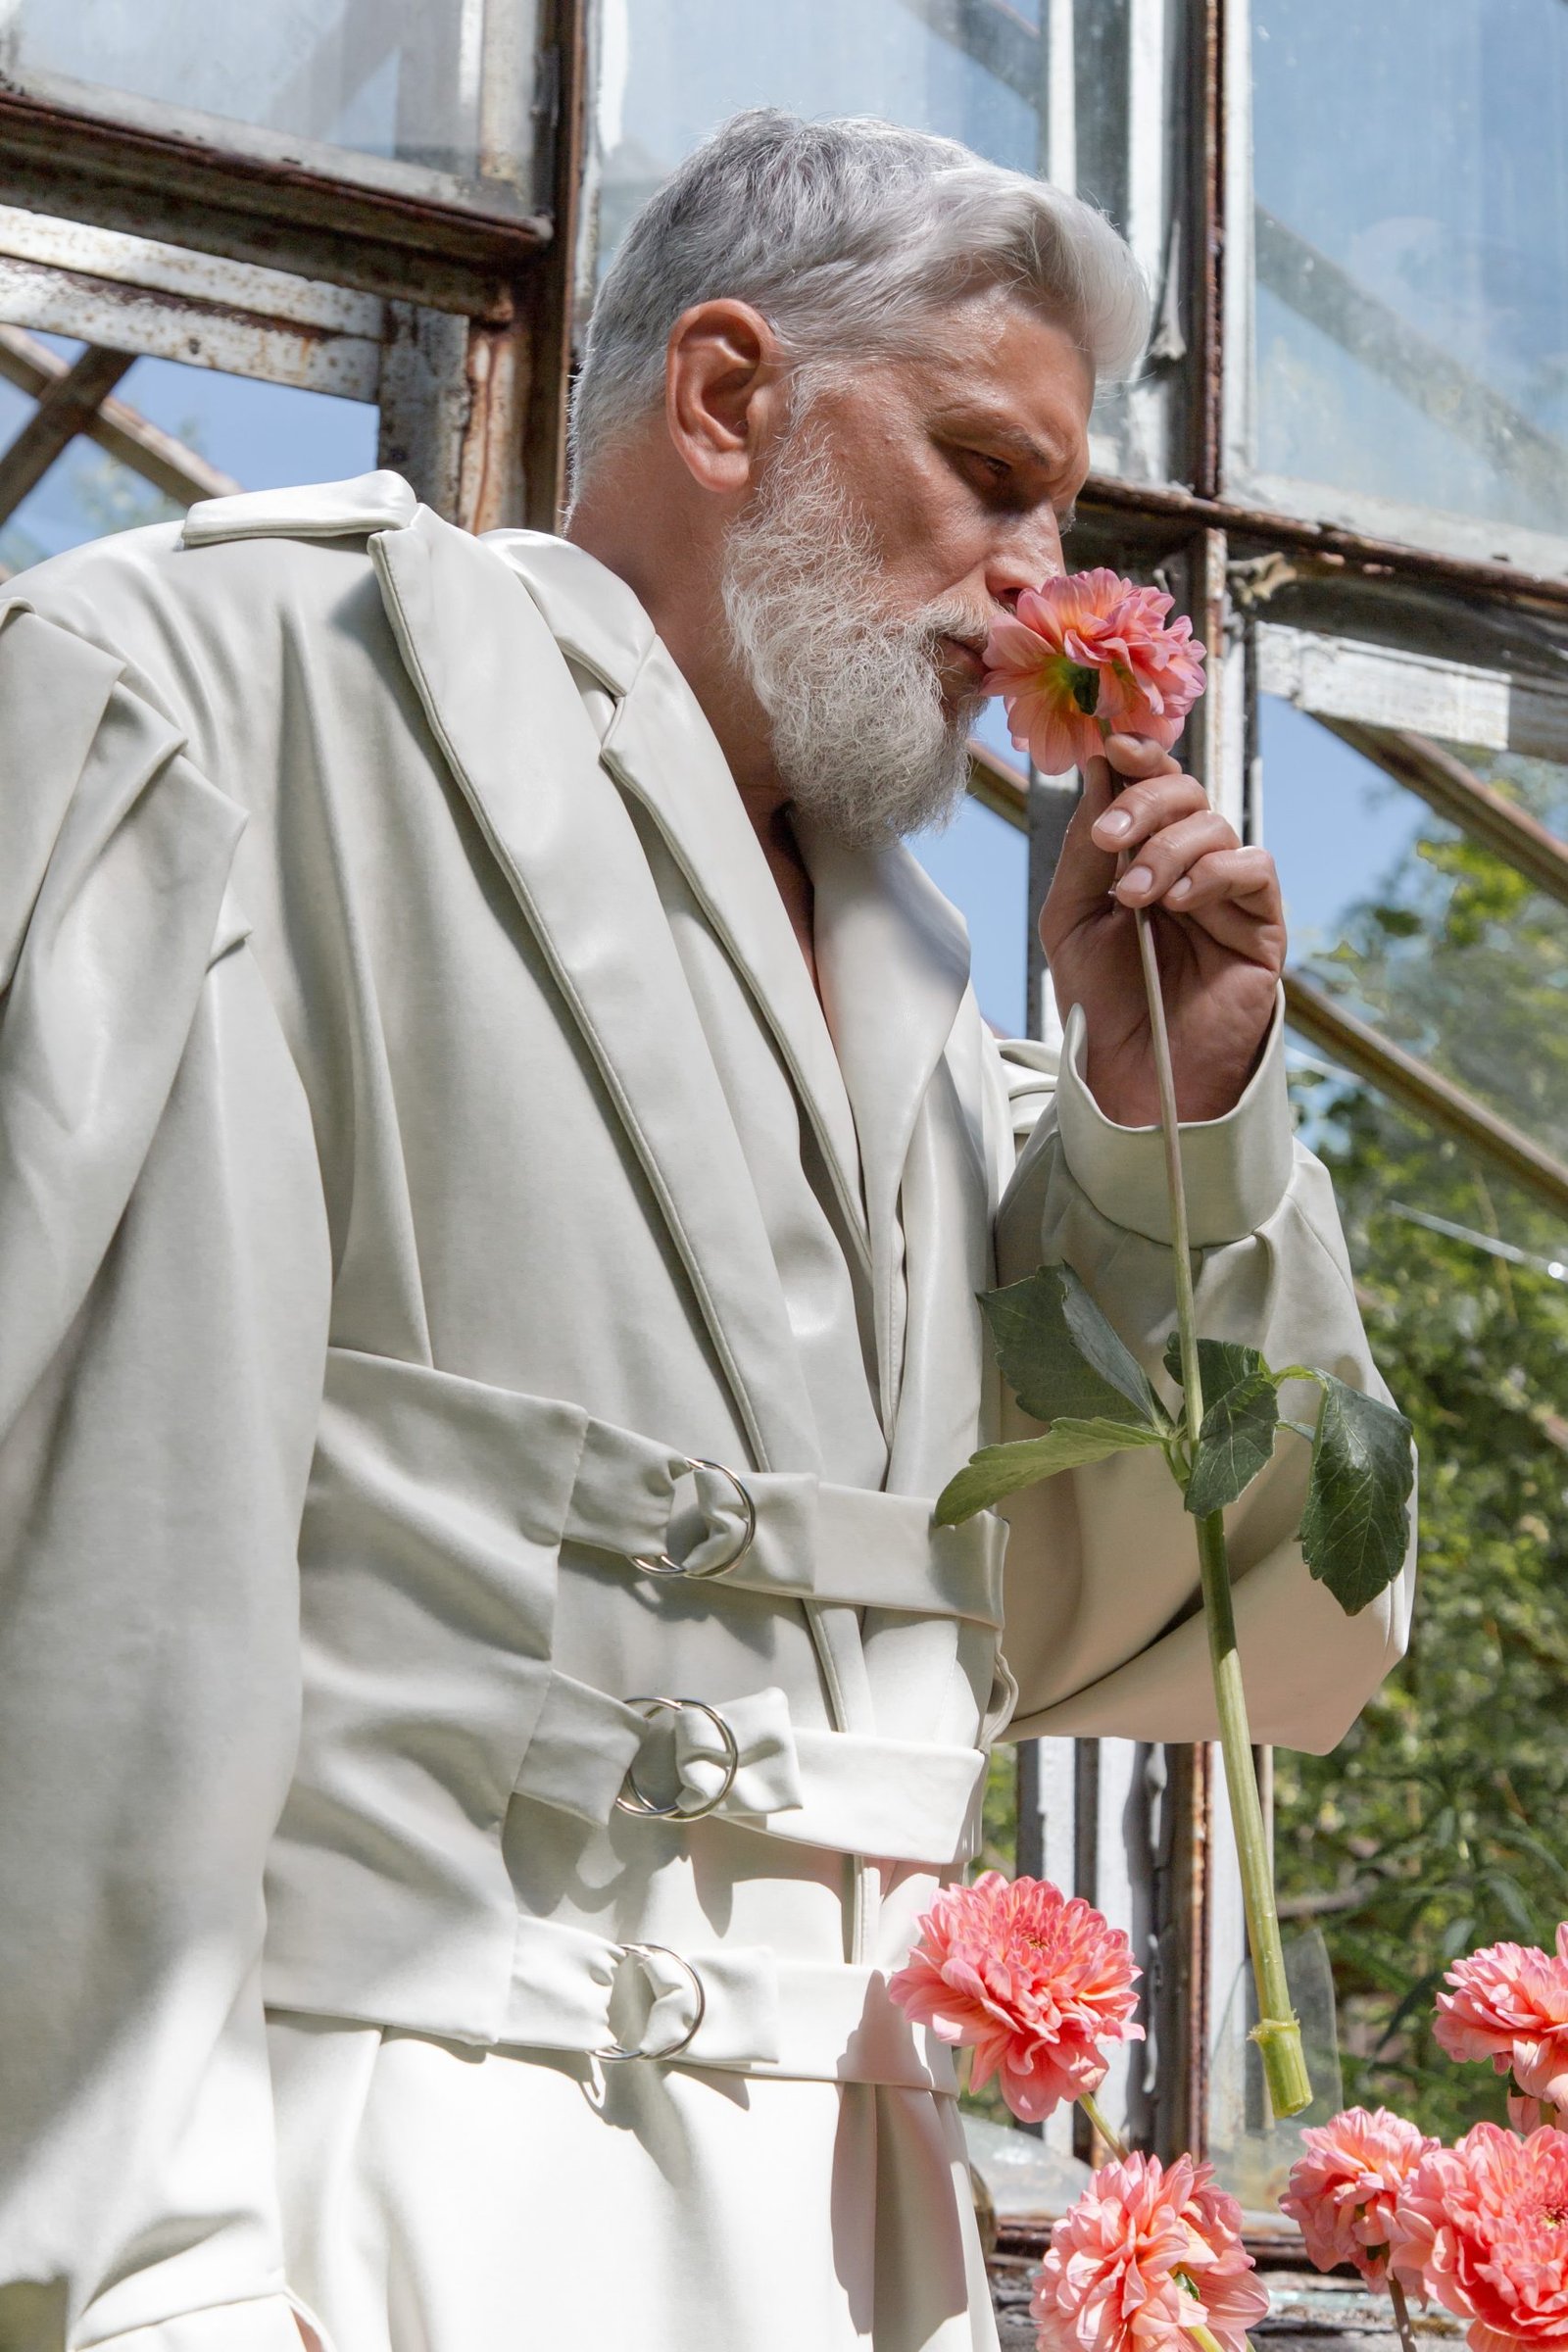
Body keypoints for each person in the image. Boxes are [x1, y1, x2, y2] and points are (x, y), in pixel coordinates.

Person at [0, 109, 1412, 2352]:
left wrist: (1172, 1124)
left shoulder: (931, 1027)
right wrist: (144, 2287)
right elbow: (92, 1581)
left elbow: (1218, 1622)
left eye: (1066, 518)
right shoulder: (229, 692)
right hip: (365, 2247)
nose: (1043, 590)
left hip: (847, 2269)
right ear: (728, 396)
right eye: (987, 473)